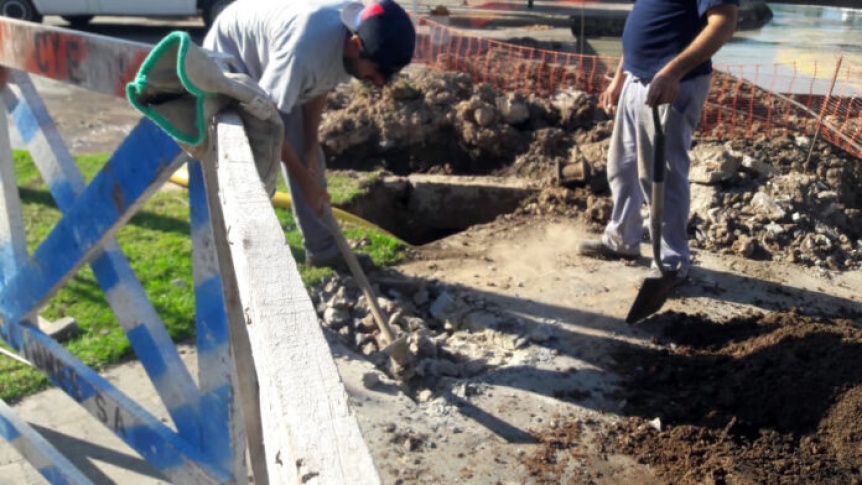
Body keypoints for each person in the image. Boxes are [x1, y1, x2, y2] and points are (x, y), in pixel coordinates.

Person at [204, 0, 416, 268]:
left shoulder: (351, 41)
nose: (380, 81)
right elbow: (267, 123)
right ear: (355, 45)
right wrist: (304, 181)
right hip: (232, 57)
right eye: (377, 71)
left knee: (311, 159)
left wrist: (309, 149)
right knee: (255, 163)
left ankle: (325, 253)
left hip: (274, 66)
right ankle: (246, 257)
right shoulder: (303, 51)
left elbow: (319, 86)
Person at [578, 0, 738, 286]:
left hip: (673, 85)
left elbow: (723, 24)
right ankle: (621, 240)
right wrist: (619, 78)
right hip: (635, 80)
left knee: (663, 176)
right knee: (623, 167)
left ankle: (671, 262)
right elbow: (645, 25)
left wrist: (672, 72)